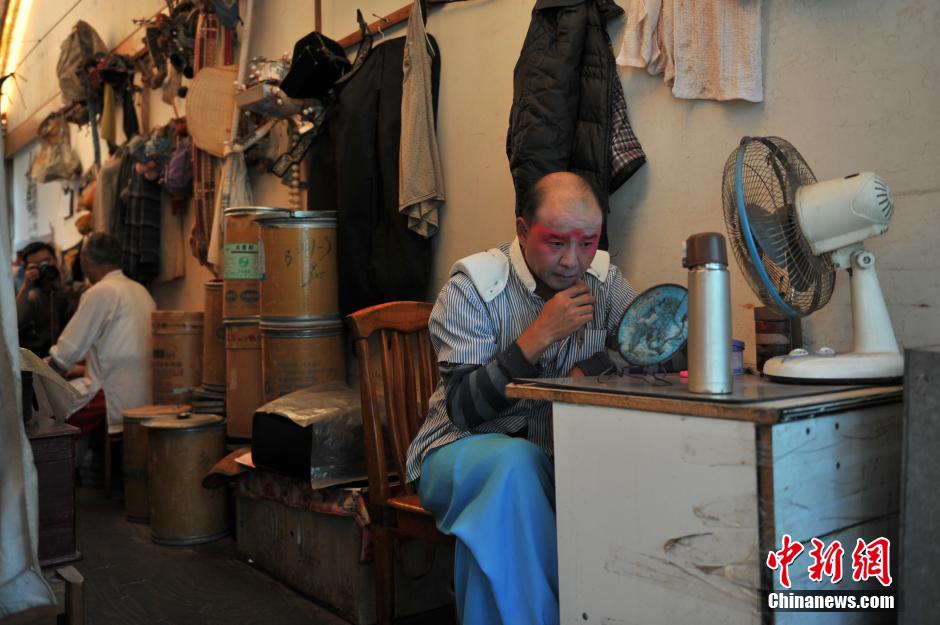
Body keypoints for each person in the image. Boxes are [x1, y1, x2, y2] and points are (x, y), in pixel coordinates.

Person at [405, 171, 637, 625]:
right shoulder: (472, 288)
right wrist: (536, 338)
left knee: (508, 513)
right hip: (454, 454)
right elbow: (464, 410)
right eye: (556, 243)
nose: (573, 260)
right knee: (513, 465)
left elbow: (653, 343)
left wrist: (592, 367)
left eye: (587, 242)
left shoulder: (604, 283)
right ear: (521, 229)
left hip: (549, 462)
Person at [47, 233, 155, 458]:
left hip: (112, 392)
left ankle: (59, 484)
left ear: (86, 259)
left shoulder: (100, 292)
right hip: (146, 392)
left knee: (44, 418)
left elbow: (66, 353)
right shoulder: (141, 291)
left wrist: (42, 371)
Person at [16, 241, 79, 357]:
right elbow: (16, 323)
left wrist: (61, 288)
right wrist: (26, 285)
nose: (44, 266)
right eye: (37, 265)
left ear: (56, 260)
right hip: (43, 357)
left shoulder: (77, 289)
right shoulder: (32, 296)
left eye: (47, 261)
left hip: (71, 355)